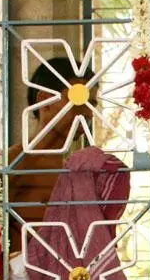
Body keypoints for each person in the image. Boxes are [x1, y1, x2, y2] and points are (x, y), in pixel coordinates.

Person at [8, 57, 96, 254]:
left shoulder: (77, 173)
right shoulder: (10, 165)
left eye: (93, 105)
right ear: (44, 101)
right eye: (79, 101)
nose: (89, 114)